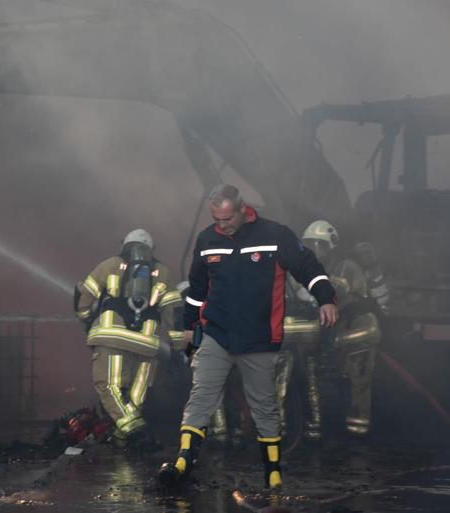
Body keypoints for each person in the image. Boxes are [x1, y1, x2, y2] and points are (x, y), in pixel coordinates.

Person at [158, 185, 338, 489]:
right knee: (200, 397)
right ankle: (183, 462)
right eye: (216, 218)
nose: (222, 225)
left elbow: (307, 267)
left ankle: (273, 474)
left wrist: (325, 298)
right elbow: (197, 290)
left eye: (227, 219)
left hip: (259, 339)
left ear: (243, 210)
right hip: (216, 334)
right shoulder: (207, 239)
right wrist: (190, 326)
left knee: (264, 406)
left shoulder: (275, 235)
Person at [74, 229, 183, 448]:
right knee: (136, 394)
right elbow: (175, 313)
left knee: (110, 386)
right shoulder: (163, 272)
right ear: (152, 249)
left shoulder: (109, 265)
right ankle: (122, 438)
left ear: (124, 244)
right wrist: (177, 347)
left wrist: (86, 319)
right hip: (146, 344)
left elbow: (83, 296)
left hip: (111, 337)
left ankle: (137, 431)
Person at [294, 220, 383, 437]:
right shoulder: (315, 267)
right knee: (319, 371)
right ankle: (323, 426)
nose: (315, 250)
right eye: (310, 244)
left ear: (331, 246)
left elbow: (338, 296)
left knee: (357, 378)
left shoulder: (347, 267)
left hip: (360, 331)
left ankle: (358, 432)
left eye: (320, 245)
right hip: (341, 330)